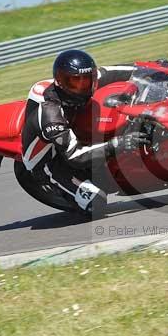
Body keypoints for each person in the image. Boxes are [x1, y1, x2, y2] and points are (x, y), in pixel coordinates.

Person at [20, 49, 149, 218]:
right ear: (60, 82)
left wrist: (159, 70)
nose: (81, 87)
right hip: (52, 162)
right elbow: (75, 157)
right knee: (96, 204)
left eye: (86, 81)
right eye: (74, 83)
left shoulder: (89, 78)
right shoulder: (51, 115)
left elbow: (129, 70)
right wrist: (118, 144)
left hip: (72, 134)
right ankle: (72, 195)